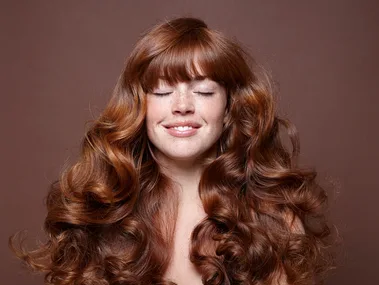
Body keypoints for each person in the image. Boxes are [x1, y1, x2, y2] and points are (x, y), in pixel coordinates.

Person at [10, 17, 334, 285]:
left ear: (229, 105)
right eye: (162, 91)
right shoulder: (100, 211)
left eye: (203, 91)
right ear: (139, 105)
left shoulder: (273, 216)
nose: (182, 106)